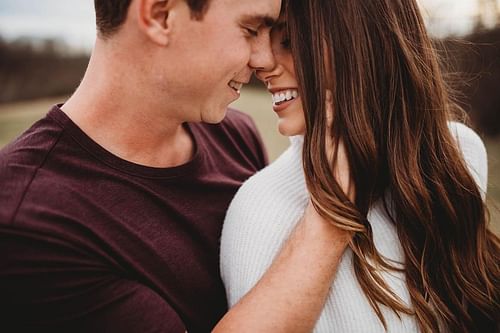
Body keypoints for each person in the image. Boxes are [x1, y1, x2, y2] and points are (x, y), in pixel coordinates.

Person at [0, 0, 353, 332]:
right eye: (250, 29)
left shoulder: (235, 134)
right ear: (159, 15)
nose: (263, 59)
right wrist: (332, 215)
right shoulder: (27, 223)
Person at [221, 0, 500, 332]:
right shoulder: (260, 211)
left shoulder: (458, 155)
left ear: (361, 46)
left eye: (290, 41)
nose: (261, 62)